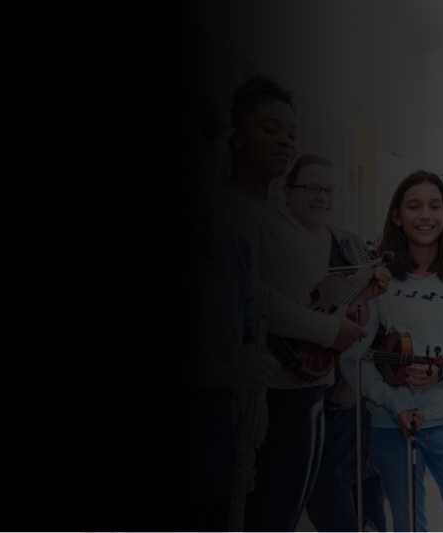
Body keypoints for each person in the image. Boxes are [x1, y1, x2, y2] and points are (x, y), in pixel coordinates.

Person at [207, 74, 387, 531]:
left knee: (284, 515)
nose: (284, 142)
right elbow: (251, 295)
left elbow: (302, 296)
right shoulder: (232, 207)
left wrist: (354, 299)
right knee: (269, 517)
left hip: (306, 383)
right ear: (237, 138)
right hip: (275, 390)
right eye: (270, 130)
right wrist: (330, 331)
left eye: (291, 134)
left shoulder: (270, 214)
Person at [343, 170, 443, 532]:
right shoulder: (380, 279)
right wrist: (397, 404)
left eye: (434, 206)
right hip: (391, 426)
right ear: (397, 216)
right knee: (409, 525)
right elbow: (355, 360)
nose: (425, 215)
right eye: (414, 207)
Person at [280, 155, 388, 532]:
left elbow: (368, 319)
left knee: (369, 496)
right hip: (295, 388)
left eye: (329, 190)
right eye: (312, 187)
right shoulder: (276, 243)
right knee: (328, 505)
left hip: (347, 394)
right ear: (287, 191)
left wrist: (371, 296)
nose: (322, 197)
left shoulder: (351, 245)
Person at [183, 90, 270, 531]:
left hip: (223, 449)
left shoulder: (229, 240)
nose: (200, 159)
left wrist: (253, 393)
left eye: (210, 145)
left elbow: (247, 320)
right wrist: (227, 376)